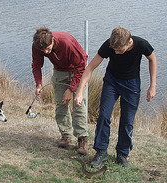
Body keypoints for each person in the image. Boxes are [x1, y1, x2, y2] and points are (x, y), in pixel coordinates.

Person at [74, 26, 157, 167]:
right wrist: (80, 91)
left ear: (129, 42)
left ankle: (122, 154)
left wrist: (152, 85)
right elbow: (90, 68)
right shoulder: (109, 45)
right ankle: (101, 151)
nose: (116, 53)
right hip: (112, 82)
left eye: (120, 50)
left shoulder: (141, 44)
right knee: (104, 116)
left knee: (127, 120)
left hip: (132, 84)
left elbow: (152, 59)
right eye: (114, 50)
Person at [32, 27, 89, 155]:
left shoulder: (66, 42)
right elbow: (36, 64)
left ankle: (82, 138)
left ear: (52, 39)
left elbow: (81, 65)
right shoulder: (37, 45)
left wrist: (71, 89)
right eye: (43, 50)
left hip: (76, 70)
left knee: (78, 103)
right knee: (60, 103)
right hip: (59, 72)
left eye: (48, 48)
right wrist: (39, 84)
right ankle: (65, 135)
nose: (46, 52)